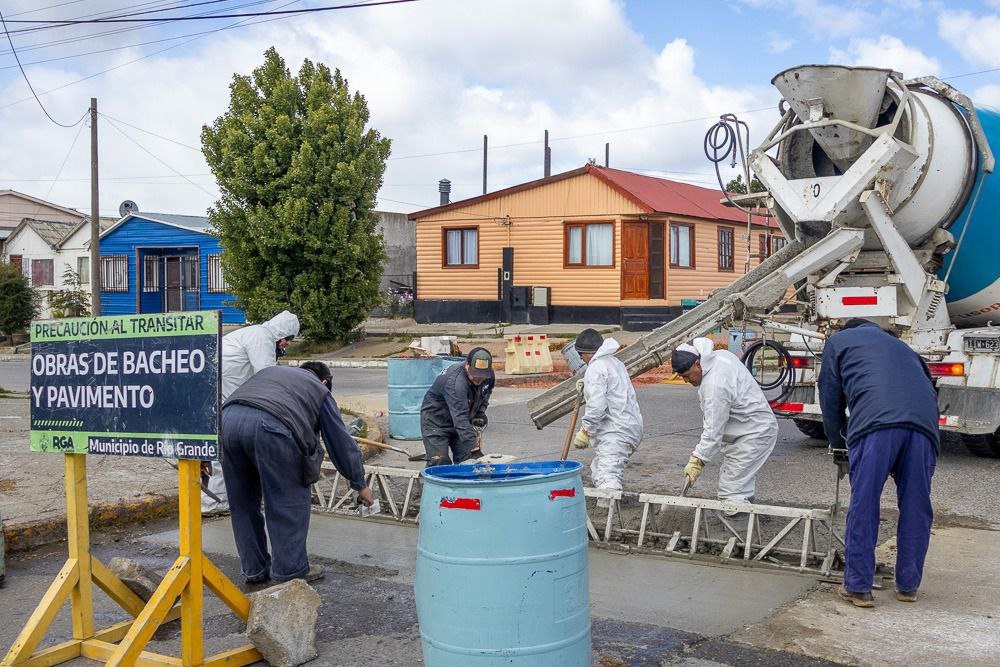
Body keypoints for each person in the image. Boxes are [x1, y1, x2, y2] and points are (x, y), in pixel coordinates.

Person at [819, 318, 938, 608]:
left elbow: (830, 398)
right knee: (916, 505)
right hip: (924, 429)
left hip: (876, 426)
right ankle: (908, 586)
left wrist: (837, 442)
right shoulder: (904, 348)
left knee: (865, 503)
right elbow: (929, 388)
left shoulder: (838, 342)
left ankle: (858, 587)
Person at [221, 361, 374, 584]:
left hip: (226, 423)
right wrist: (360, 483)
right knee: (286, 502)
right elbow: (340, 443)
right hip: (272, 427)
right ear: (325, 381)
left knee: (243, 503)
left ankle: (254, 569)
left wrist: (204, 458)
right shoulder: (319, 389)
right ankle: (290, 570)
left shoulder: (271, 373)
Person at [202, 310, 301, 515]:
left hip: (220, 393)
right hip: (223, 397)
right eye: (288, 339)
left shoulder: (253, 333)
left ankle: (218, 499)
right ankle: (214, 502)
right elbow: (267, 378)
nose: (287, 344)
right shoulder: (262, 337)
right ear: (280, 334)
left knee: (222, 448)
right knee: (223, 449)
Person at [671, 337, 777, 505]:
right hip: (748, 427)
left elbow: (713, 431)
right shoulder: (720, 356)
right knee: (739, 485)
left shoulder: (715, 385)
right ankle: (747, 515)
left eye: (687, 375)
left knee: (731, 491)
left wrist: (697, 459)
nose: (686, 380)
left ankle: (738, 519)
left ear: (697, 364)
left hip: (753, 432)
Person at [571, 329, 644, 492]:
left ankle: (610, 505)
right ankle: (606, 503)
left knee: (607, 477)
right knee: (598, 469)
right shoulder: (614, 362)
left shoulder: (596, 368)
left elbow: (597, 406)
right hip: (629, 426)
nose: (581, 359)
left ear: (585, 353)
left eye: (580, 355)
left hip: (616, 431)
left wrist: (586, 430)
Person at [420, 347, 495, 466]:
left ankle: (466, 478)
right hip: (436, 421)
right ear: (467, 365)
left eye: (482, 376)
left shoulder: (489, 376)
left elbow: (486, 393)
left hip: (462, 421)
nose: (479, 379)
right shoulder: (456, 383)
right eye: (475, 375)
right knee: (439, 462)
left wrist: (480, 411)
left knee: (469, 461)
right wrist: (474, 448)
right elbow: (460, 418)